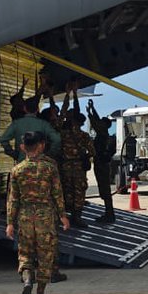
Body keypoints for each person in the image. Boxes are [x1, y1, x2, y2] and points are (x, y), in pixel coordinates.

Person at [6, 130, 71, 294]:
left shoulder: (17, 170)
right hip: (45, 216)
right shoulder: (50, 167)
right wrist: (63, 216)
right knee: (45, 254)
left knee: (25, 253)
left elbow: (13, 199)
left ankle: (27, 280)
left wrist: (10, 223)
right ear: (40, 146)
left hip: (25, 216)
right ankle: (40, 293)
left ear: (22, 147)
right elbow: (57, 193)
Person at [58, 83, 95, 228]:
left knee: (67, 190)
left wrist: (69, 95)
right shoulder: (84, 136)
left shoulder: (63, 133)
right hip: (79, 167)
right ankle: (77, 217)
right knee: (79, 192)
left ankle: (67, 214)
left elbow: (62, 115)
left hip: (66, 166)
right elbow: (93, 152)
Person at [0, 88, 60, 163]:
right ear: (37, 109)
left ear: (24, 108)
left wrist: (13, 153)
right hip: (40, 163)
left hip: (22, 161)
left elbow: (3, 139)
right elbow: (57, 139)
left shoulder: (16, 123)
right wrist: (49, 154)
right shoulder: (44, 124)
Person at [86, 99, 117, 223]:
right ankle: (109, 213)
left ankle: (109, 214)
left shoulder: (102, 134)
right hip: (102, 164)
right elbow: (97, 122)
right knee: (104, 190)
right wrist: (92, 110)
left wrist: (90, 112)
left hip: (101, 165)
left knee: (105, 190)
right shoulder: (104, 134)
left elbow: (96, 122)